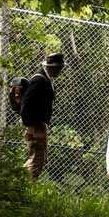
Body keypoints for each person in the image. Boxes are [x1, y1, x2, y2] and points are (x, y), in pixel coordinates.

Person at [20, 52, 65, 183]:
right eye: (59, 67)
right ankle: (25, 185)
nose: (60, 70)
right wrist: (30, 126)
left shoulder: (45, 78)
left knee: (38, 158)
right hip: (35, 125)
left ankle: (20, 182)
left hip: (38, 124)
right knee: (37, 159)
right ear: (52, 66)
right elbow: (26, 104)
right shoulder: (39, 80)